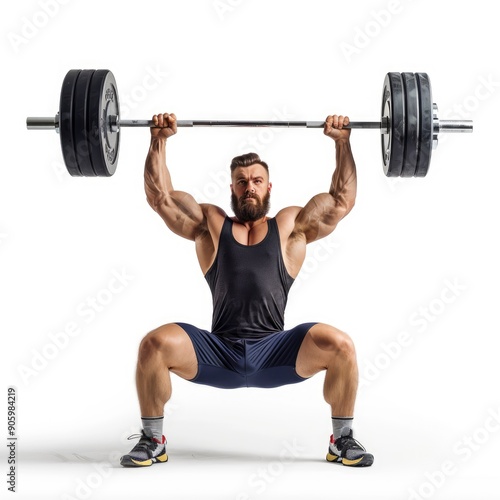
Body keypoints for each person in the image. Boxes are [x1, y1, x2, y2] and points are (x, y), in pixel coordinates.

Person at [120, 113, 373, 468]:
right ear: (232, 189)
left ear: (269, 187)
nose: (249, 187)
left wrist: (342, 143)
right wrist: (158, 140)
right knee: (154, 344)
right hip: (217, 350)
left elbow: (340, 202)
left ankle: (342, 440)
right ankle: (152, 440)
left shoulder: (289, 228)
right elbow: (161, 198)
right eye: (241, 182)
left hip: (276, 350)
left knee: (341, 345)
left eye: (256, 180)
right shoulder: (211, 225)